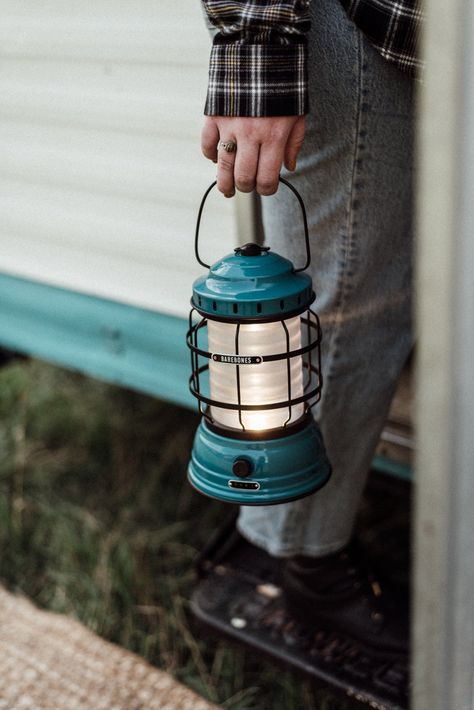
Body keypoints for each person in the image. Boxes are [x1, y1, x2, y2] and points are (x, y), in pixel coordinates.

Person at [199, 0, 422, 656]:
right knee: (347, 300)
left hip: (423, 40)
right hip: (359, 30)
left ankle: (288, 533)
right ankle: (302, 560)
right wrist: (254, 47)